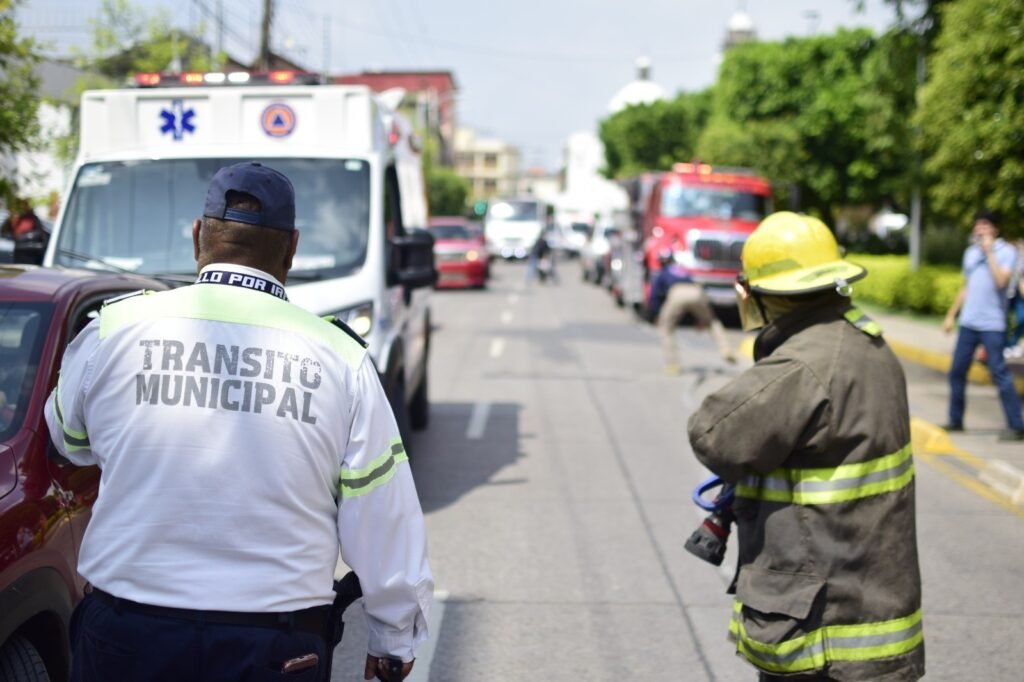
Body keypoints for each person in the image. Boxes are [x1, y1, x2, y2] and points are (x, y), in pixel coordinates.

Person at [44, 162, 433, 682]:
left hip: (128, 636)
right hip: (275, 646)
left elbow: (70, 439)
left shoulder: (113, 329)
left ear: (197, 235)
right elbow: (382, 510)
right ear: (291, 248)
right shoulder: (341, 358)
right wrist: (393, 634)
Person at [687, 212, 925, 681]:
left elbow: (713, 435)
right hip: (876, 610)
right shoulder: (867, 343)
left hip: (821, 626)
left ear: (764, 294)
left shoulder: (803, 364)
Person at [942, 209, 1023, 440]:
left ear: (995, 229)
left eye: (985, 225)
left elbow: (1001, 281)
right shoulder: (969, 253)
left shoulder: (1006, 252)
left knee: (999, 373)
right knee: (957, 371)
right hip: (968, 322)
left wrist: (989, 252)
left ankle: (1017, 426)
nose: (980, 229)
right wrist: (951, 316)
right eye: (978, 225)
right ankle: (955, 420)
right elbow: (965, 287)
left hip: (992, 324)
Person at [648, 249, 735, 375]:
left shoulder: (663, 273)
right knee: (711, 322)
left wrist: (656, 313)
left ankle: (673, 365)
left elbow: (654, 295)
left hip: (677, 292)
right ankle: (726, 349)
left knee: (665, 329)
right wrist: (700, 318)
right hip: (697, 291)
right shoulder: (683, 270)